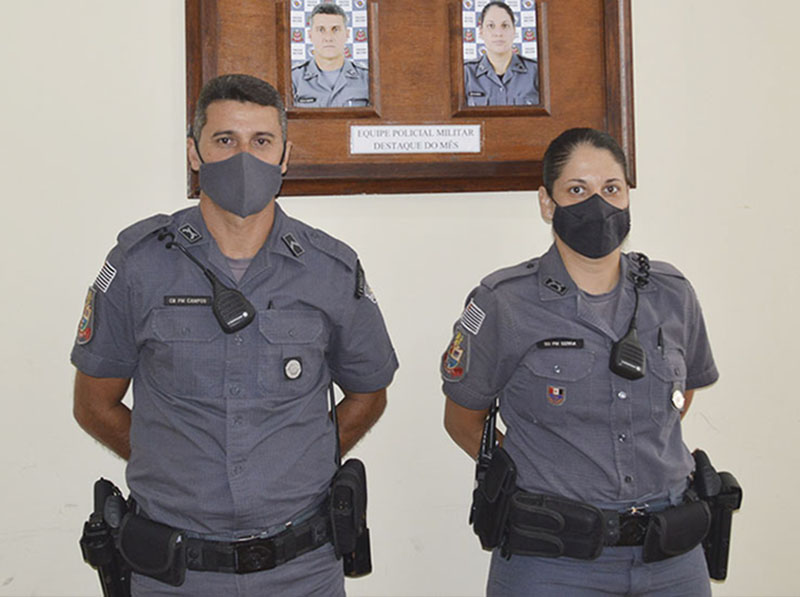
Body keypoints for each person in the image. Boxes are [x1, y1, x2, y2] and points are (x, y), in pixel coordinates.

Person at [71, 74, 398, 596]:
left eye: (261, 142)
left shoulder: (330, 269)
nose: (243, 157)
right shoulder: (137, 266)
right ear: (194, 152)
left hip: (303, 570)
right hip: (174, 573)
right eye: (225, 140)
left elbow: (368, 392)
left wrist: (302, 462)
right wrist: (173, 462)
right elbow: (94, 404)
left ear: (284, 156)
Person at [441, 128, 718, 596]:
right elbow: (463, 419)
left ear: (628, 195)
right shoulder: (504, 302)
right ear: (547, 204)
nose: (598, 204)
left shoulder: (672, 294)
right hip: (554, 558)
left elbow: (680, 394)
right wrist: (544, 470)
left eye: (611, 189)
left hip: (670, 553)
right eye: (577, 190)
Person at [292, 3, 370, 108]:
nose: (328, 37)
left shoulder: (367, 79)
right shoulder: (294, 79)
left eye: (335, 29)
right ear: (310, 35)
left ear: (347, 34)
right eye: (321, 30)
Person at [464, 1, 539, 107]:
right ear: (481, 32)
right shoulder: (466, 74)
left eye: (505, 25)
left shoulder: (536, 72)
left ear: (514, 31)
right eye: (491, 26)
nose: (498, 33)